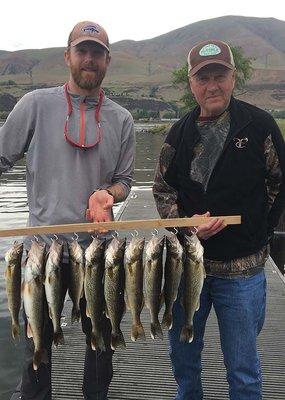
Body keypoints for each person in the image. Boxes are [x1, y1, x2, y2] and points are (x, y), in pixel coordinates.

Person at [0, 20, 135, 400]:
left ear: (108, 60)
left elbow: (125, 181)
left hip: (100, 252)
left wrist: (108, 194)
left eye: (98, 53)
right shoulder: (35, 104)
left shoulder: (122, 119)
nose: (89, 59)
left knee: (100, 349)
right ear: (68, 56)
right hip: (41, 253)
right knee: (37, 352)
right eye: (83, 50)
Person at [153, 39, 285, 400]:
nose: (212, 85)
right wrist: (185, 225)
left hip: (243, 272)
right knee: (184, 363)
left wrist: (259, 231)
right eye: (203, 78)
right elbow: (163, 191)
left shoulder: (259, 125)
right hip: (185, 268)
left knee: (243, 371)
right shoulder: (178, 134)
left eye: (220, 75)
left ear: (233, 77)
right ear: (191, 84)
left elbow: (278, 184)